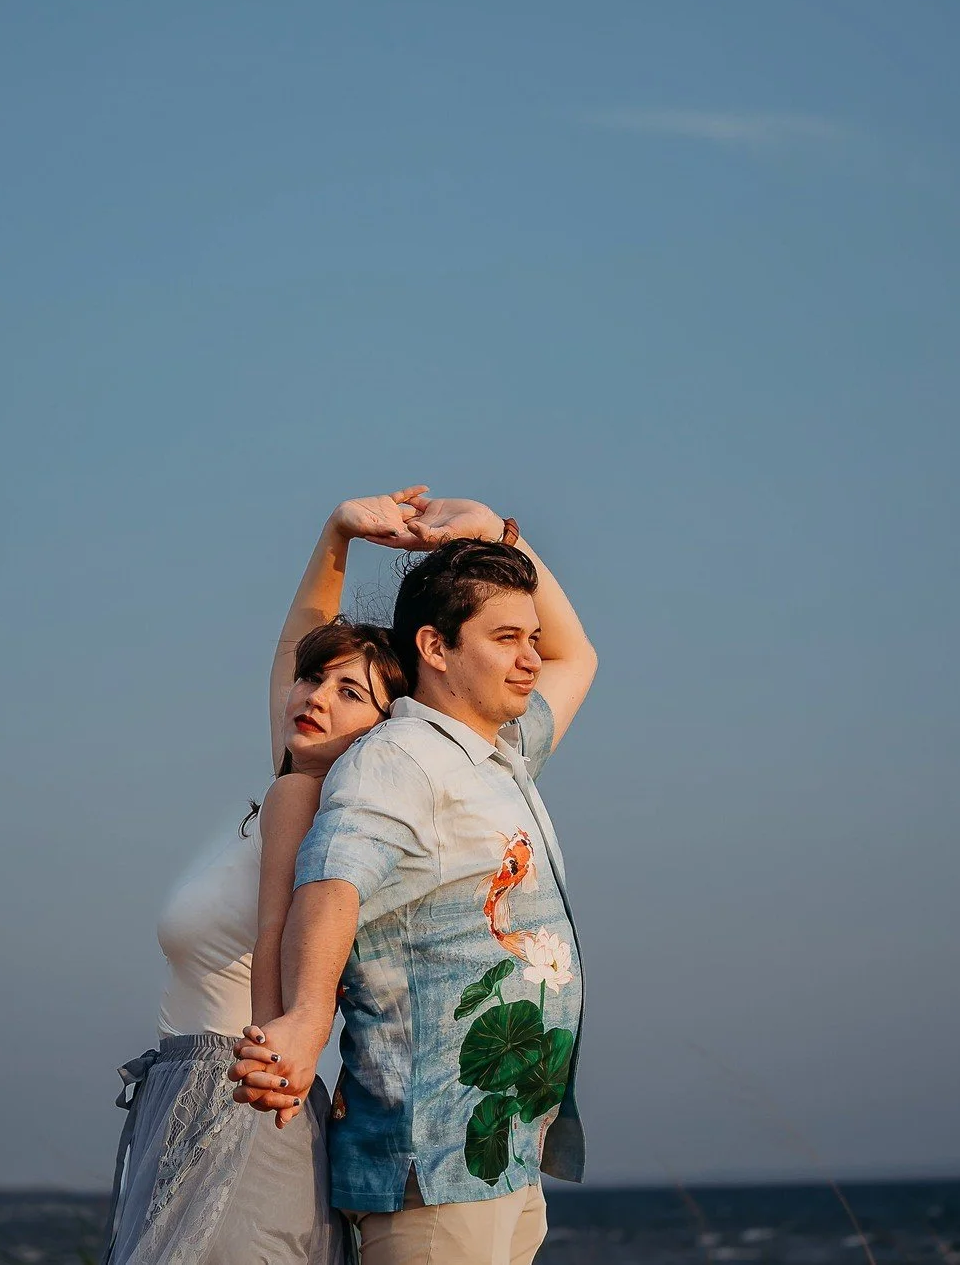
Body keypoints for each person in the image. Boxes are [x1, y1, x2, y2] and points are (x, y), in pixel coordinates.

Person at [231, 501, 598, 1265]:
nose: (530, 657)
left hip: (497, 1152)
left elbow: (577, 657)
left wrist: (500, 535)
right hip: (426, 1158)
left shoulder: (499, 751)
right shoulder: (398, 757)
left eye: (528, 638)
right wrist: (302, 1019)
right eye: (505, 640)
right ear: (434, 646)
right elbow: (332, 879)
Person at [103, 488, 432, 1265]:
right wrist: (339, 533)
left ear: (388, 730)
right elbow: (296, 642)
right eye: (313, 680)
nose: (314, 695)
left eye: (349, 691)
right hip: (187, 1088)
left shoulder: (324, 808)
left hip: (245, 1092)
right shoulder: (291, 783)